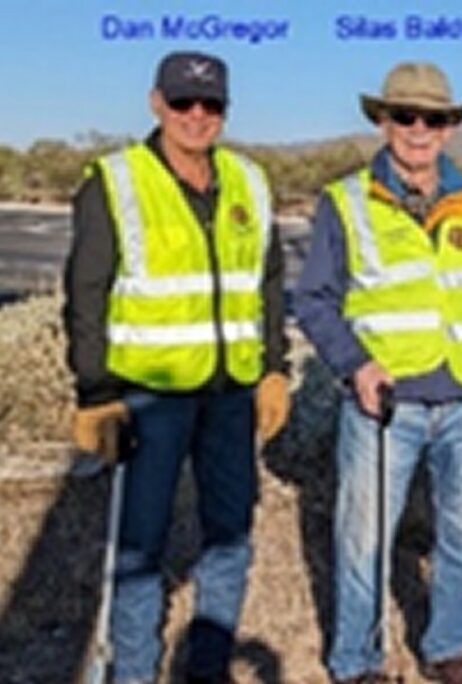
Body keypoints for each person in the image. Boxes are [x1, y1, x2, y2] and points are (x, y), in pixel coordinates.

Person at [63, 51, 290, 684]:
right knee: (140, 546)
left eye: (210, 104)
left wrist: (275, 368)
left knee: (230, 534)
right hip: (149, 398)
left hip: (230, 396)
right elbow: (87, 293)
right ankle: (132, 669)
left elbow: (268, 284)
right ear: (157, 103)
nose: (197, 116)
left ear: (224, 111)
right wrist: (96, 393)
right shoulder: (116, 181)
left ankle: (208, 666)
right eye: (183, 102)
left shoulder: (250, 182)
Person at [294, 62, 462, 684]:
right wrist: (355, 365)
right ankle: (358, 659)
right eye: (405, 116)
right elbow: (313, 299)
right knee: (363, 538)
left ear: (450, 128)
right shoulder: (346, 202)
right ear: (383, 122)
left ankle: (447, 645)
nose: (418, 129)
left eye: (432, 118)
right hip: (383, 403)